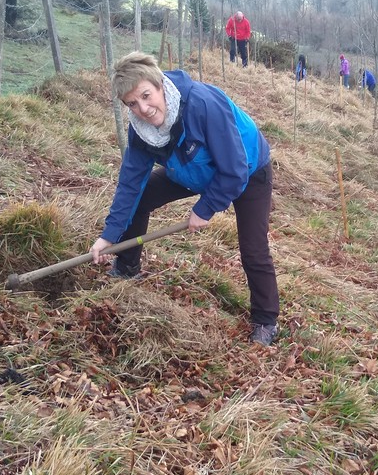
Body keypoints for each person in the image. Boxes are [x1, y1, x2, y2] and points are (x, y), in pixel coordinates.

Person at [90, 52, 280, 346]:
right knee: (141, 197)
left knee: (253, 249)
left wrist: (205, 209)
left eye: (146, 95)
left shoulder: (202, 104)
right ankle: (127, 267)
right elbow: (130, 184)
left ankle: (266, 320)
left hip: (248, 169)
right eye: (132, 104)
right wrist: (108, 236)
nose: (143, 108)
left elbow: (234, 170)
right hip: (190, 170)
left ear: (158, 84)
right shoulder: (140, 130)